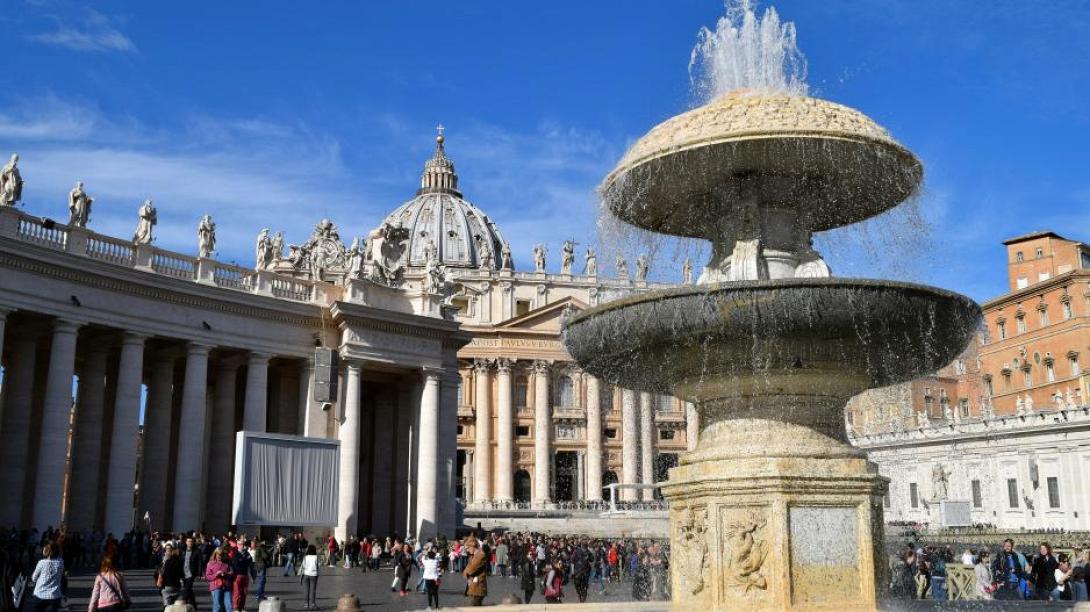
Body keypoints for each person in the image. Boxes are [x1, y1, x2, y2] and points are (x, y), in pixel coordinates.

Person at [31, 543, 65, 612]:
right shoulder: (61, 562)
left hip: (39, 594)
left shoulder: (41, 562)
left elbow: (34, 578)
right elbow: (61, 575)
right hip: (54, 595)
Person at [462, 536, 488, 607]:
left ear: (472, 546)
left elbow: (471, 569)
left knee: (474, 606)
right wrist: (467, 571)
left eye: (467, 548)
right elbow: (465, 572)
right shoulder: (472, 556)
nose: (467, 550)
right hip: (473, 585)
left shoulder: (480, 555)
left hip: (478, 586)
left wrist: (467, 571)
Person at [230, 539, 254, 612]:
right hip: (237, 575)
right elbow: (236, 565)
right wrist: (245, 561)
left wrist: (243, 561)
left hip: (245, 575)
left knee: (244, 592)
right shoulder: (235, 554)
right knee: (237, 592)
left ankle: (242, 607)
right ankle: (236, 608)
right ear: (237, 545)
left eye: (243, 544)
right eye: (240, 544)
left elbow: (250, 562)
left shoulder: (247, 553)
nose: (242, 546)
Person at [183, 536, 202, 608]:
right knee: (189, 589)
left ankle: (183, 603)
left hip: (191, 573)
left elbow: (200, 563)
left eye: (191, 541)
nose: (190, 543)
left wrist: (199, 574)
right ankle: (193, 604)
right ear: (186, 542)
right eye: (188, 541)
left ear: (193, 542)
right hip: (183, 573)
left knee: (187, 589)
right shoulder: (183, 550)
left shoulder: (197, 551)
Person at [300, 544, 319, 610]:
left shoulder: (305, 557)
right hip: (314, 575)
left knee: (306, 590)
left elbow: (303, 566)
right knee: (313, 590)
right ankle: (312, 604)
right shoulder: (316, 557)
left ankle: (306, 604)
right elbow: (317, 566)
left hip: (306, 574)